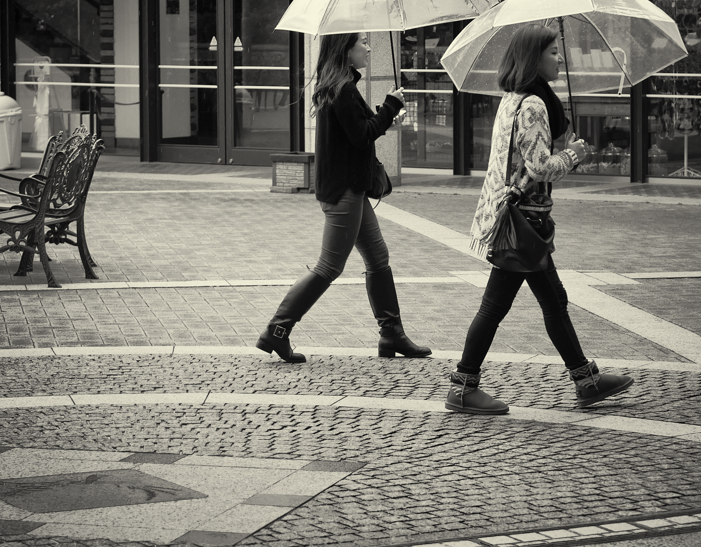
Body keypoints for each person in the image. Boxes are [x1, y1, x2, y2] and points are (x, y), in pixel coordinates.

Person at [445, 23, 634, 414]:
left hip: (522, 220)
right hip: (523, 224)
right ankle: (463, 386)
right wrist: (575, 154)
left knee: (552, 300)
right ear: (534, 58)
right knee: (498, 306)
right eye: (552, 52)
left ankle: (586, 380)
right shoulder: (531, 104)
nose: (559, 57)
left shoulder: (515, 98)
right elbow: (539, 167)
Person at [256, 31, 432, 364]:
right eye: (362, 42)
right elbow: (362, 134)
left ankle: (391, 333)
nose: (368, 47)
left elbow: (361, 128)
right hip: (344, 193)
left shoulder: (338, 85)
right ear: (346, 50)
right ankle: (277, 331)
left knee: (378, 257)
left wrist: (386, 116)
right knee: (328, 267)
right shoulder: (343, 89)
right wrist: (391, 105)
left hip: (350, 189)